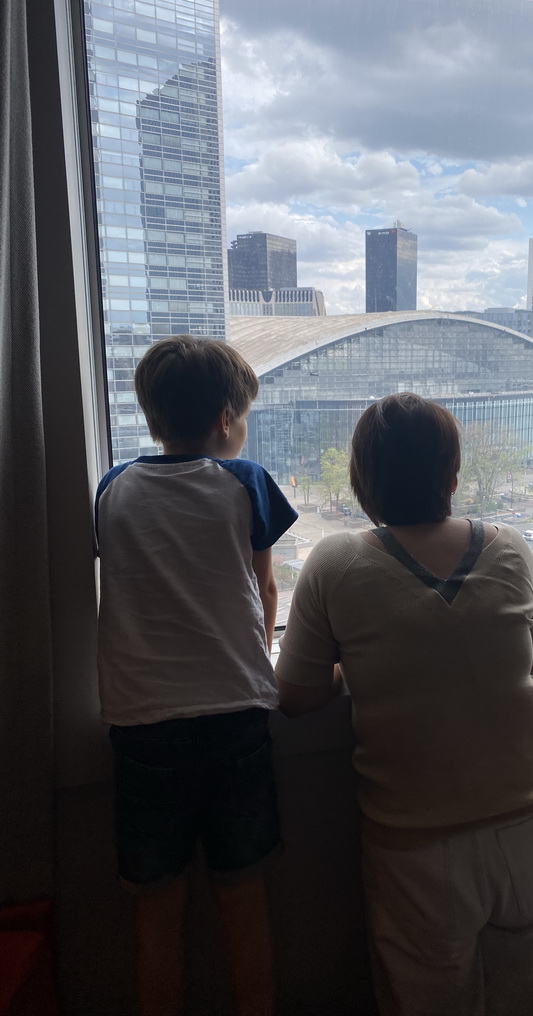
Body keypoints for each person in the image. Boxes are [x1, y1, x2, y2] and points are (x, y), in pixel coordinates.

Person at [276, 393, 533, 1016]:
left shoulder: (335, 563)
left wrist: (348, 667)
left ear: (360, 483)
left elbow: (296, 696)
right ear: (455, 477)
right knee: (531, 998)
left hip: (417, 846)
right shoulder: (512, 547)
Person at [95, 335, 298, 1016]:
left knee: (157, 913)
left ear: (153, 419)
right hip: (233, 715)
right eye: (243, 415)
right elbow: (264, 591)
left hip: (142, 723)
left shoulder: (113, 489)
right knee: (244, 902)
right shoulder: (246, 482)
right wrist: (260, 650)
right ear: (223, 418)